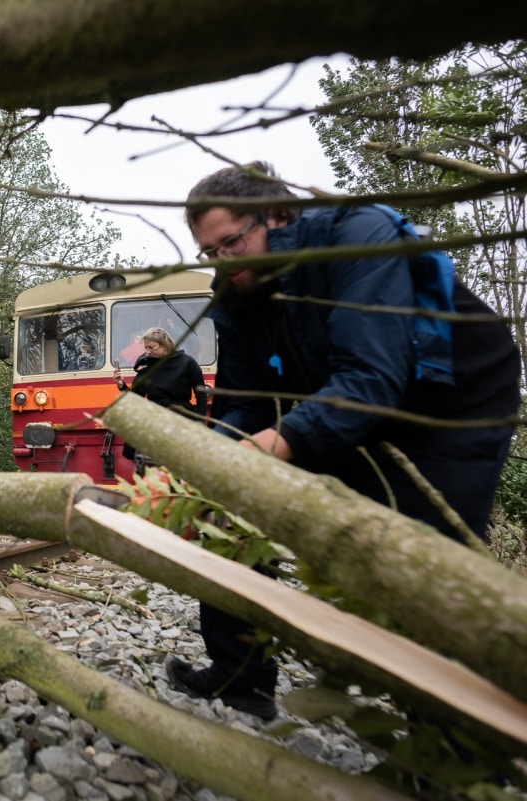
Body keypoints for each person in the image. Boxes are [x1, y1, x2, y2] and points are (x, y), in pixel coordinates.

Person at [164, 161, 521, 721]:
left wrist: (273, 445)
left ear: (277, 215)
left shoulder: (356, 237)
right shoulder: (238, 287)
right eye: (211, 253)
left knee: (426, 569)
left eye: (233, 242)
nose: (224, 262)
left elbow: (372, 379)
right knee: (224, 506)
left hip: (448, 408)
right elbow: (244, 397)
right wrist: (220, 459)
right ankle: (240, 681)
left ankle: (448, 742)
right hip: (335, 397)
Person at [113, 327, 208, 467]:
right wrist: (121, 385)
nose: (148, 351)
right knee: (150, 460)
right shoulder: (145, 366)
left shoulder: (187, 362)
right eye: (146, 347)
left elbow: (201, 394)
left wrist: (200, 421)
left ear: (165, 346)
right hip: (154, 417)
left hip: (181, 417)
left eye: (152, 347)